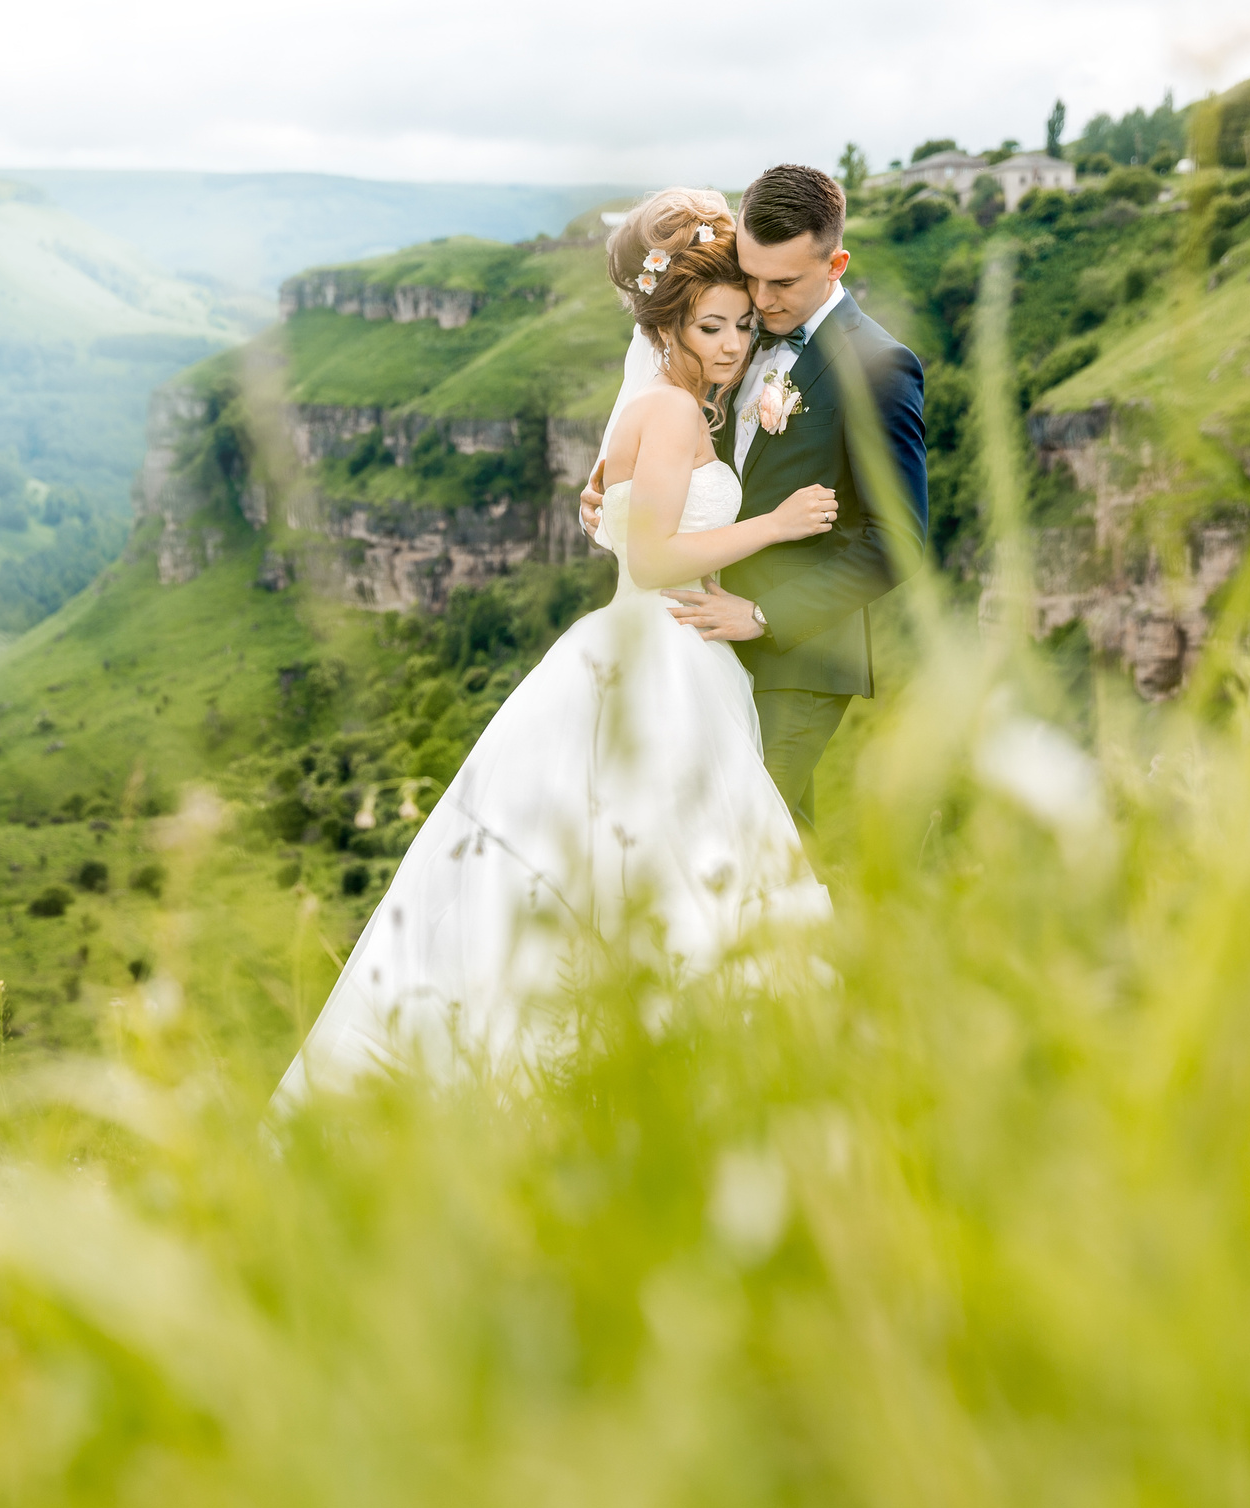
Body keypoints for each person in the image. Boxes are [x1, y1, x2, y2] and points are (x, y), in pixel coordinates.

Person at [275, 190, 835, 1103]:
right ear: (666, 325)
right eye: (713, 326)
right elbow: (653, 558)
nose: (736, 344)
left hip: (644, 644)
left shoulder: (652, 406)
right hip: (663, 655)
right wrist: (775, 523)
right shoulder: (675, 414)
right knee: (669, 856)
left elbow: (618, 521)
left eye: (741, 324)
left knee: (615, 860)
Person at [582, 165, 928, 829]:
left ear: (836, 265)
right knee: (751, 851)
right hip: (704, 644)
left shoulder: (880, 366)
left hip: (799, 656)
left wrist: (764, 615)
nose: (761, 301)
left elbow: (896, 542)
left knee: (739, 835)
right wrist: (615, 498)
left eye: (783, 284)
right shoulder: (734, 330)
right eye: (751, 275)